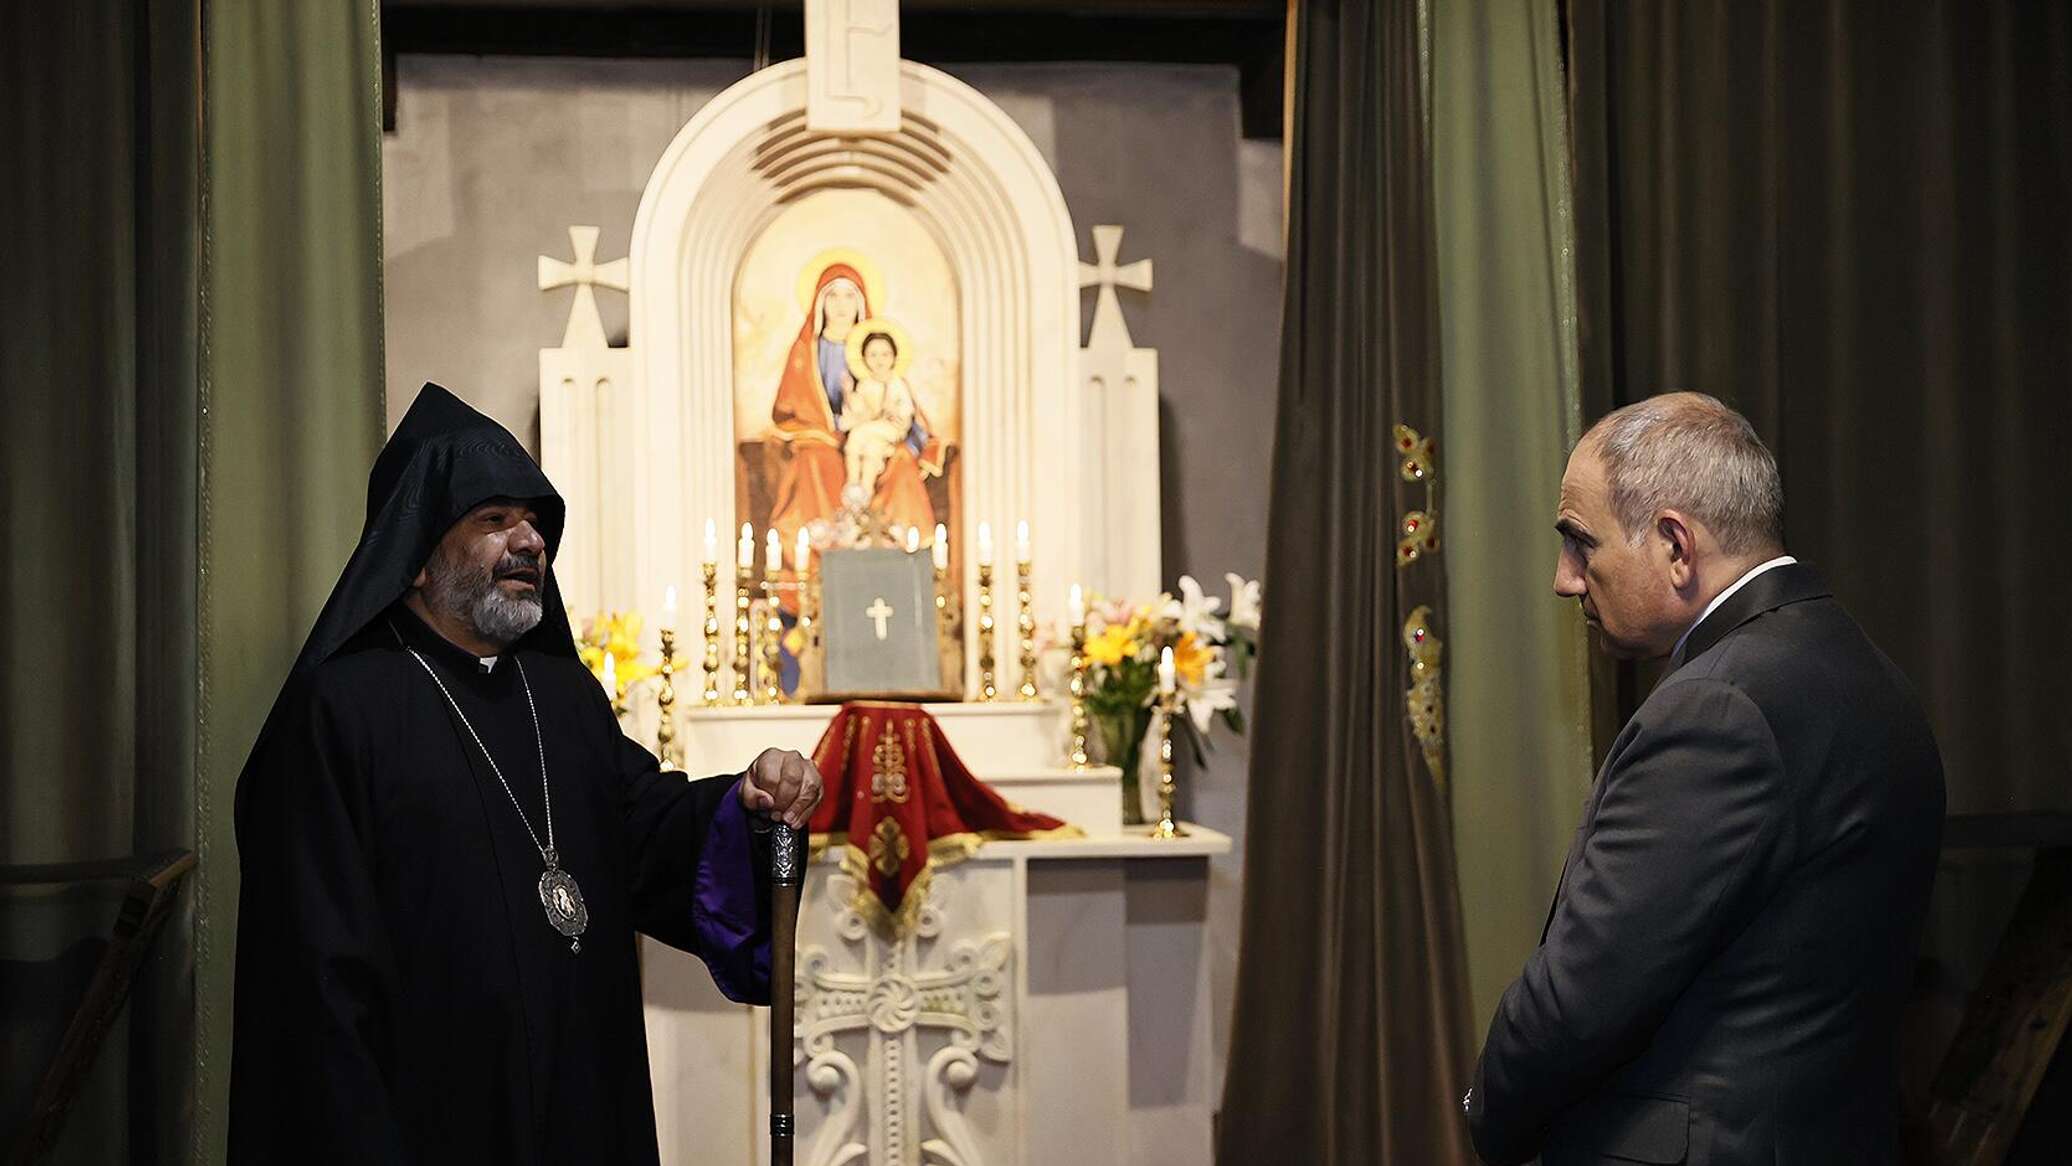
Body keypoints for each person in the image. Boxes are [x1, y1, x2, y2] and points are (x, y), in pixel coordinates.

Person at [228, 383, 825, 1164]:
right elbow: (313, 979)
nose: (530, 540)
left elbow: (643, 830)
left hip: (583, 1100)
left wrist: (745, 803)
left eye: (536, 521)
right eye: (494, 519)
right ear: (417, 558)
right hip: (426, 1120)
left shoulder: (564, 696)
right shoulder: (341, 710)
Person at [1465, 392, 1944, 1165]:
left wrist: (1483, 1112)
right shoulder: (1868, 674)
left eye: (1581, 543)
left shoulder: (1718, 709)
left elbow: (1582, 997)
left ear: (1675, 545)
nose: (1565, 579)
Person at [839, 329, 919, 495]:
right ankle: (863, 492)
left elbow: (906, 410)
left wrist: (894, 410)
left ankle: (852, 482)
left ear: (894, 356)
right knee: (872, 449)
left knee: (857, 434)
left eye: (885, 354)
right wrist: (848, 394)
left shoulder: (897, 383)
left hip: (891, 428)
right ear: (864, 358)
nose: (879, 360)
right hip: (872, 430)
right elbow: (858, 410)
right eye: (873, 355)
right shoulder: (865, 384)